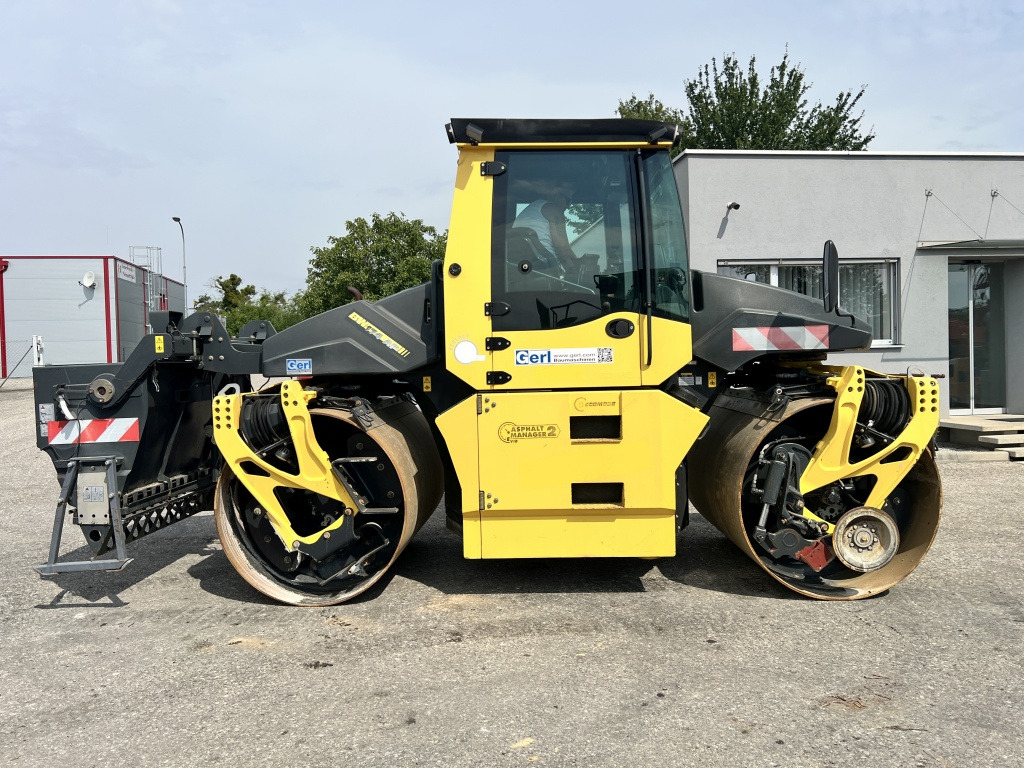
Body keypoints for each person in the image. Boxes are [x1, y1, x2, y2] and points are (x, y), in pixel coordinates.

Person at [512, 181, 578, 274]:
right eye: (568, 201)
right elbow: (563, 251)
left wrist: (576, 260)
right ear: (556, 194)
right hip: (546, 267)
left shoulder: (531, 210)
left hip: (525, 269)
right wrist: (576, 271)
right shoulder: (554, 210)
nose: (568, 206)